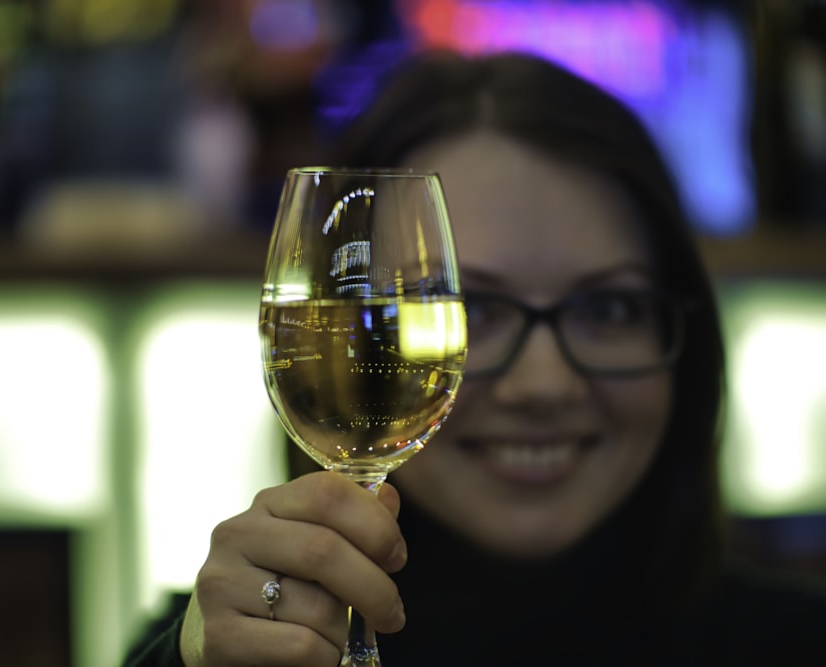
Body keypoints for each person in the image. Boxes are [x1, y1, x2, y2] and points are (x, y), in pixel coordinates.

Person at [123, 50, 826, 666]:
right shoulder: (213, 648)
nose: (544, 384)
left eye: (608, 309)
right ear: (345, 342)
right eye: (473, 312)